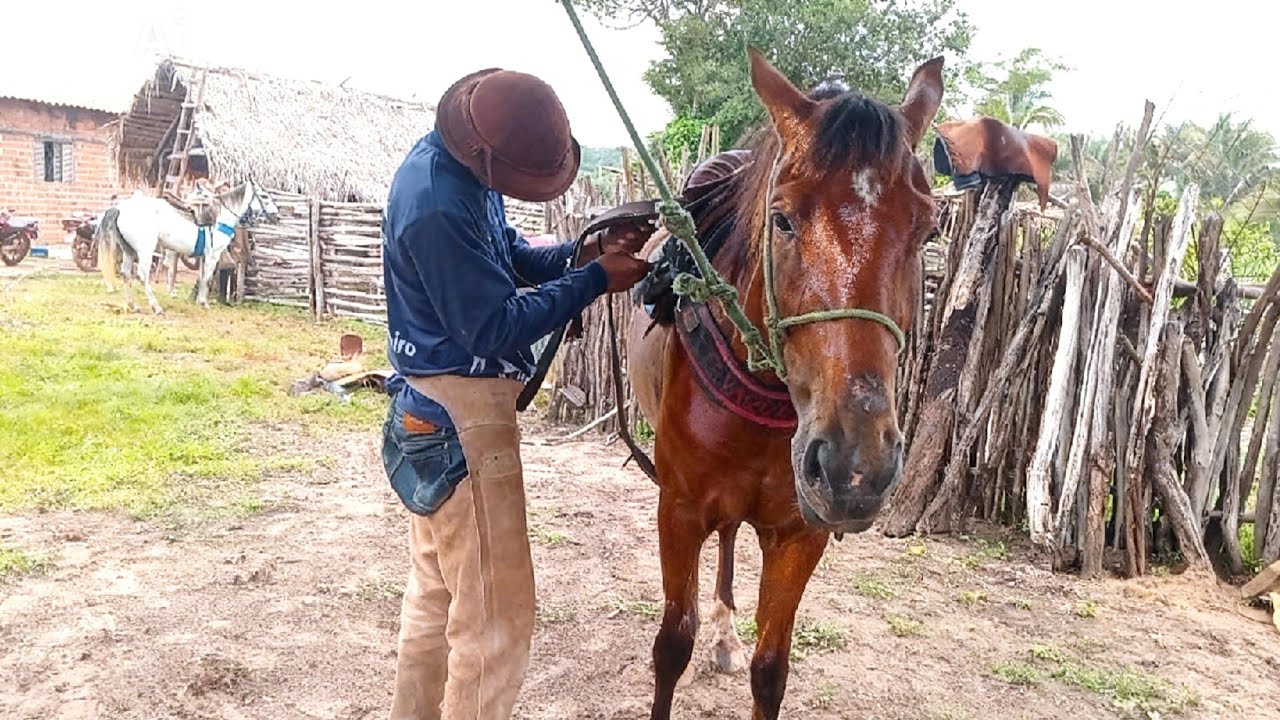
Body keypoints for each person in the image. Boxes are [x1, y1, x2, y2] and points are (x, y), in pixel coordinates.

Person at [379, 67, 653, 720]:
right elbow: (493, 323)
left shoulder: (452, 166)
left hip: (427, 406)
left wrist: (577, 256)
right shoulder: (437, 204)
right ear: (487, 154)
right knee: (497, 623)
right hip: (463, 418)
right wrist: (593, 282)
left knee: (437, 598)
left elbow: (502, 254)